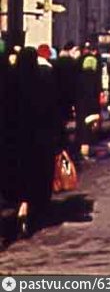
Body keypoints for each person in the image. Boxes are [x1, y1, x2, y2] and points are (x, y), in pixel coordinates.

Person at [10, 45, 61, 237]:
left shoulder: (11, 81)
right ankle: (28, 209)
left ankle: (19, 207)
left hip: (15, 139)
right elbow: (52, 111)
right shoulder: (43, 81)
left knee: (18, 176)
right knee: (35, 176)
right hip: (39, 139)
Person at [75, 46, 102, 161]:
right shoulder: (95, 78)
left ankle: (80, 150)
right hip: (91, 107)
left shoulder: (79, 76)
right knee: (88, 131)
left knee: (81, 128)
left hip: (80, 106)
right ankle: (85, 152)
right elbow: (96, 94)